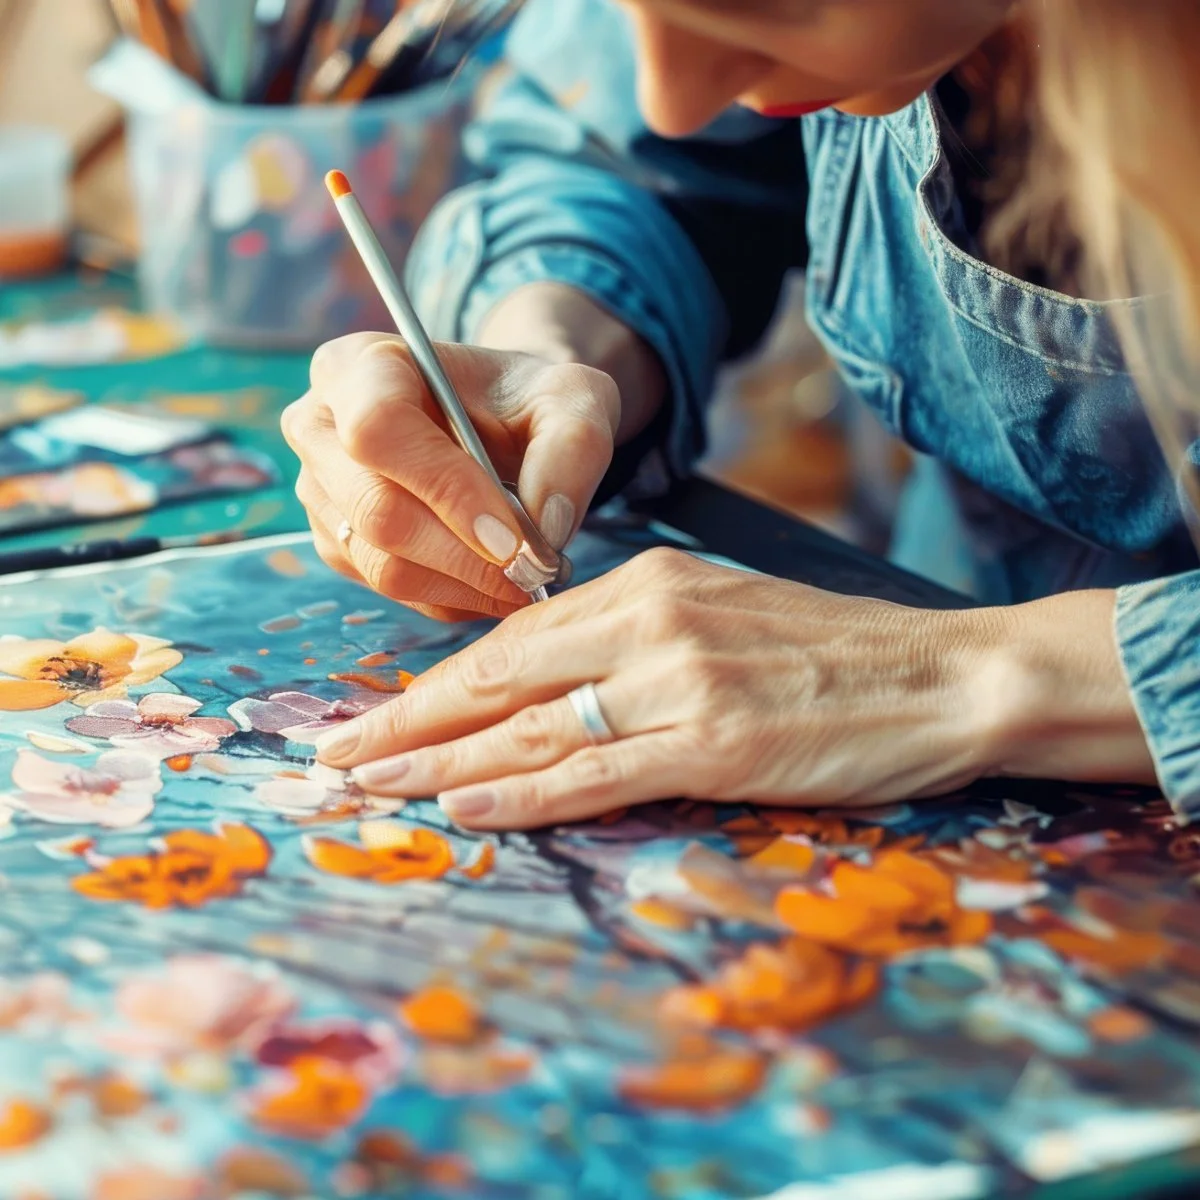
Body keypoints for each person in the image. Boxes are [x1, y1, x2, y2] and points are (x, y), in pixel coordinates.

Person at [282, 0, 1200, 831]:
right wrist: (557, 353)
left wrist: (971, 674)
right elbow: (641, 163)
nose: (668, 93)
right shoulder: (684, 75)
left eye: (756, 4)